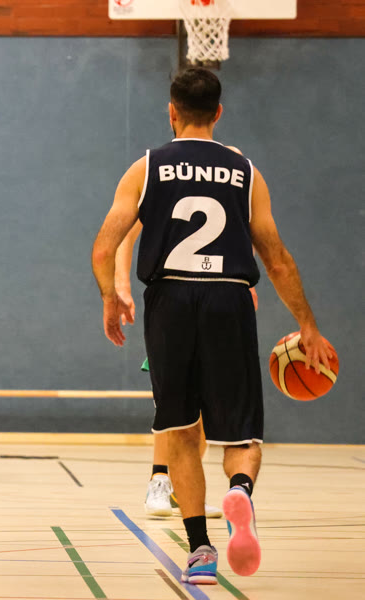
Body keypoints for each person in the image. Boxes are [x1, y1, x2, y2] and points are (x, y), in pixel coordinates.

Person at [91, 68, 334, 584]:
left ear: (171, 111)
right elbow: (277, 259)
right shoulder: (246, 172)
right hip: (229, 299)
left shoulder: (145, 167)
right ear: (219, 112)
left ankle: (200, 549)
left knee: (180, 432)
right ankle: (240, 492)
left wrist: (110, 297)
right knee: (241, 433)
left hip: (169, 302)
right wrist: (307, 323)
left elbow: (104, 247)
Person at [115, 221, 223, 520]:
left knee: (204, 409)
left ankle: (182, 488)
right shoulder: (160, 194)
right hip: (173, 302)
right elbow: (125, 234)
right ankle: (158, 480)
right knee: (172, 405)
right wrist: (121, 284)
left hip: (215, 300)